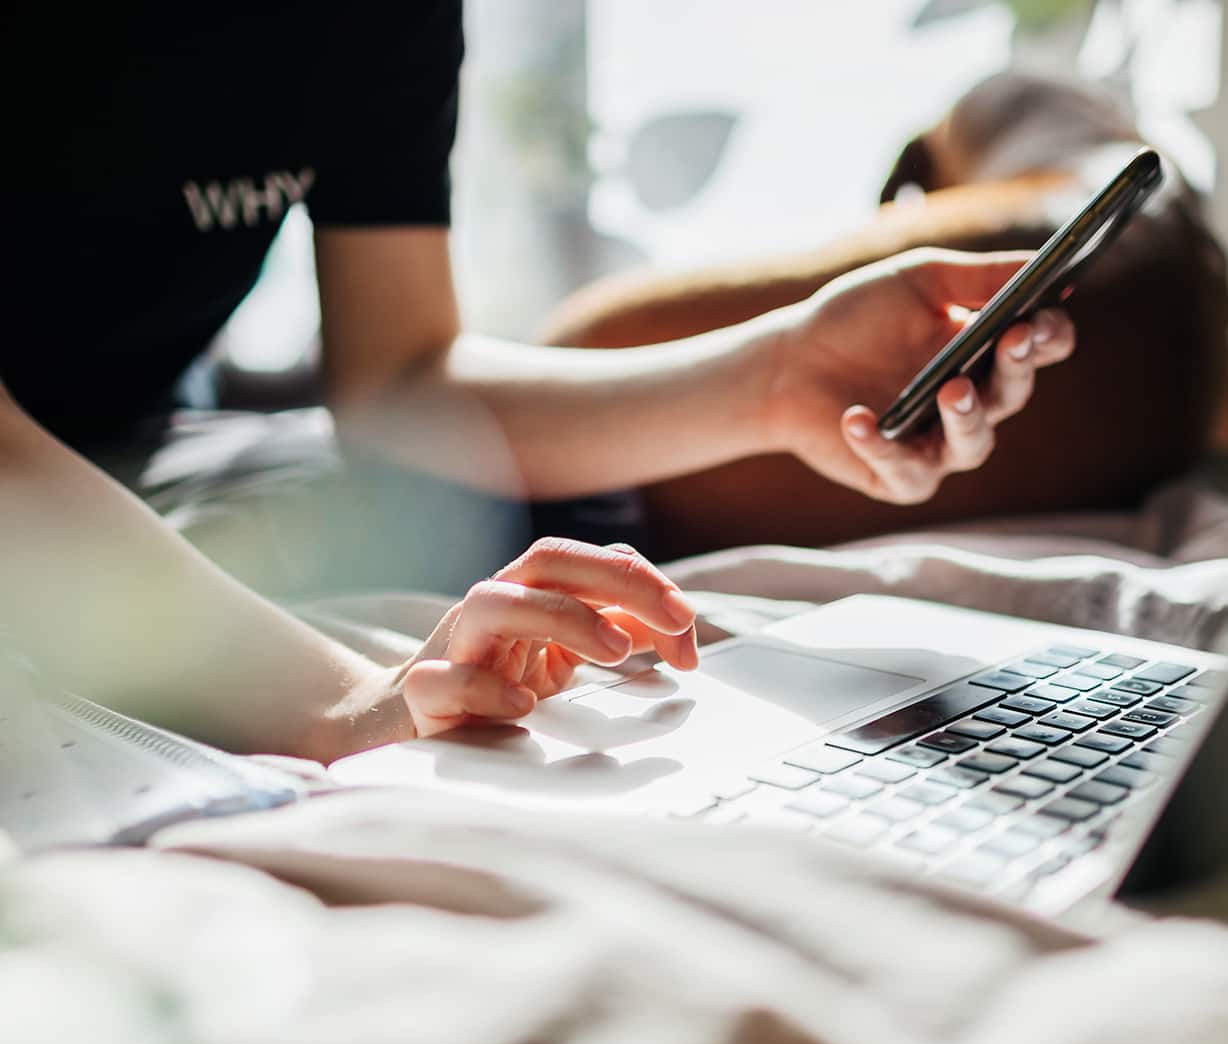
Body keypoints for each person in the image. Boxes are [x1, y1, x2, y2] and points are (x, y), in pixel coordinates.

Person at [0, 1, 1074, 762]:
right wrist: (349, 706)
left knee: (536, 517)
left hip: (131, 441)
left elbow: (399, 380)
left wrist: (776, 374)